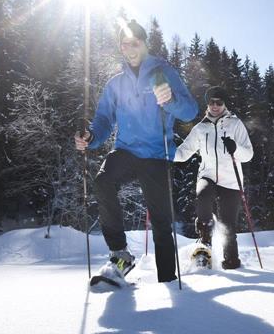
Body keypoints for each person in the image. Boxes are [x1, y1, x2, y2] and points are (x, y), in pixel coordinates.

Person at [74, 19, 198, 282]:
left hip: (156, 154)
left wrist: (171, 101)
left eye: (135, 43)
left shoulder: (164, 73)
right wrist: (91, 137)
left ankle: (168, 278)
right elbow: (104, 120)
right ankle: (120, 255)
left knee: (162, 222)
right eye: (124, 44)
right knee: (103, 181)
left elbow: (190, 110)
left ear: (144, 44)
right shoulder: (115, 84)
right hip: (126, 151)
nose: (130, 49)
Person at [174, 85, 254, 269]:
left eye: (219, 102)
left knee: (228, 225)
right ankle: (205, 243)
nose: (215, 106)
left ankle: (231, 261)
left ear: (224, 104)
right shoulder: (201, 128)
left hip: (231, 180)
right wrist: (165, 152)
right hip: (208, 175)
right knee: (202, 196)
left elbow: (248, 154)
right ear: (207, 104)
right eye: (212, 102)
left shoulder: (235, 124)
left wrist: (236, 148)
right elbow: (184, 152)